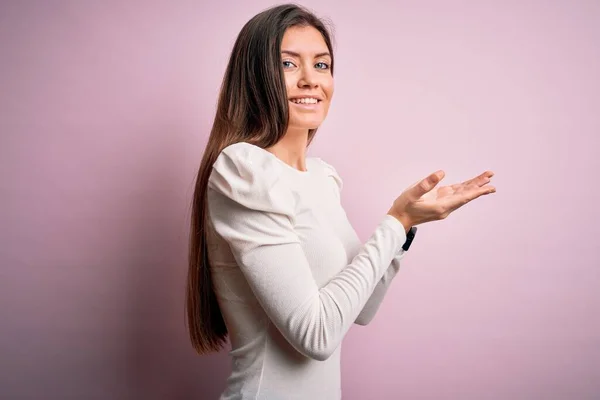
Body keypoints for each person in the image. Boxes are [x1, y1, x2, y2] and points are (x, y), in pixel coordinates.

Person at [186, 4, 496, 399]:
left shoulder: (321, 177)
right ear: (255, 77)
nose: (309, 80)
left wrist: (405, 227)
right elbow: (316, 336)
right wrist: (394, 221)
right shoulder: (243, 170)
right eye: (287, 63)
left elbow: (362, 309)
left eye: (321, 65)